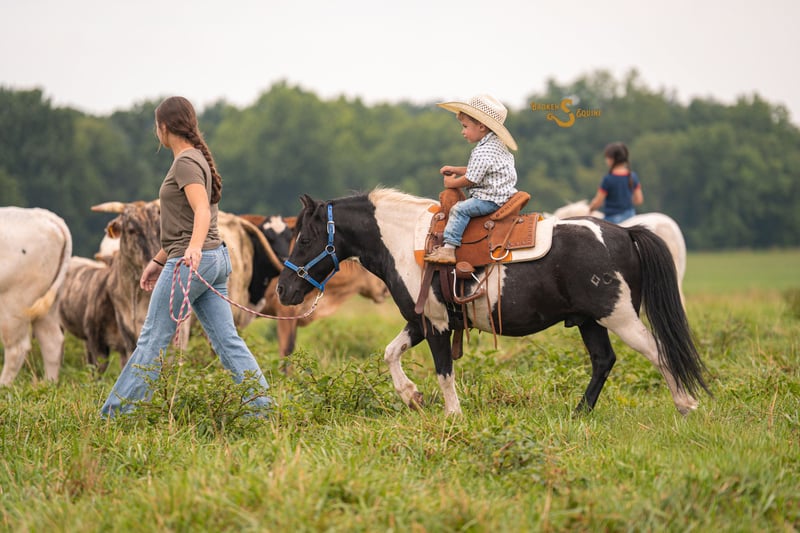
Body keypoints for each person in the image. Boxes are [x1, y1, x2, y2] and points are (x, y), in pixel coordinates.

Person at [100, 96, 271, 418]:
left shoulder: (185, 163)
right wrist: (158, 260)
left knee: (152, 339)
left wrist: (192, 249)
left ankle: (115, 416)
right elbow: (184, 222)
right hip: (212, 260)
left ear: (164, 127)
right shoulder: (195, 158)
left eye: (157, 126)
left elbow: (201, 211)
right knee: (227, 341)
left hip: (193, 262)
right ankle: (263, 411)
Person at [423, 94, 519, 264]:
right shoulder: (496, 145)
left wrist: (452, 183)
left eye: (465, 126)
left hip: (490, 199)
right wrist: (455, 169)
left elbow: (472, 179)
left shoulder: (482, 151)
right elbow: (480, 171)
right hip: (503, 195)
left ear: (481, 126)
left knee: (459, 210)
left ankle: (449, 249)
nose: (463, 132)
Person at [587, 142, 644, 223]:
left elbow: (598, 202)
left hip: (612, 219)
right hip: (630, 216)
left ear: (611, 159)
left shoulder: (608, 179)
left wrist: (591, 208)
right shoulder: (633, 176)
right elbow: (639, 200)